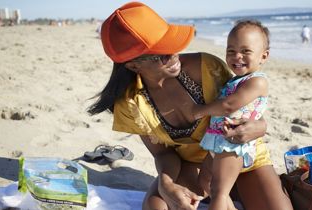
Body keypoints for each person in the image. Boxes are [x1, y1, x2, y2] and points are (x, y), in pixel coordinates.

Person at [88, 2, 292, 210]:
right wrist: (166, 184)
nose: (174, 55)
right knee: (156, 207)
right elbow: (163, 154)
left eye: (172, 44)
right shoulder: (131, 104)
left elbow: (244, 102)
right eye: (162, 53)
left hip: (242, 154)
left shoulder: (206, 68)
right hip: (195, 168)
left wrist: (260, 127)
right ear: (134, 65)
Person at [191, 20, 272, 210]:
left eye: (246, 51)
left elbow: (228, 105)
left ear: (263, 56)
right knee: (205, 182)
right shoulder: (236, 80)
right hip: (218, 140)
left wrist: (198, 111)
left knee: (219, 191)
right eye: (231, 51)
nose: (237, 56)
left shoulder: (258, 82)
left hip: (233, 144)